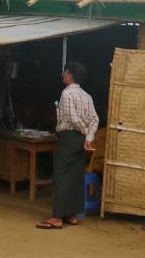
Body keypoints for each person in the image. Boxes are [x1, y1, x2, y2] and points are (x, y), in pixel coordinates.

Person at [37, 61, 99, 229]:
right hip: (81, 141)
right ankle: (71, 214)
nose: (63, 74)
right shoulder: (87, 96)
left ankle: (57, 217)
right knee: (75, 176)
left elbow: (72, 118)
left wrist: (85, 132)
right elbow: (95, 119)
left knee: (61, 175)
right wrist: (89, 136)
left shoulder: (67, 94)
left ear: (70, 75)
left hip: (69, 138)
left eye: (65, 71)